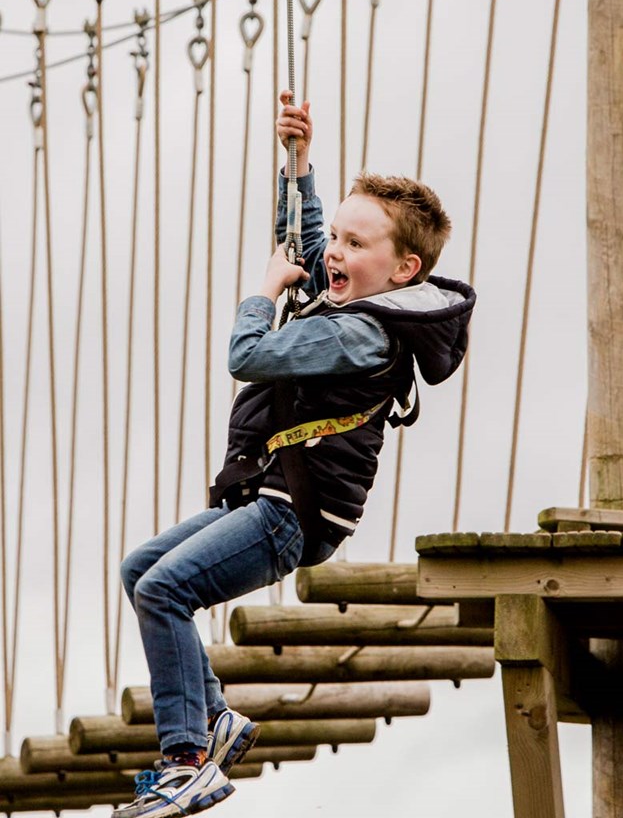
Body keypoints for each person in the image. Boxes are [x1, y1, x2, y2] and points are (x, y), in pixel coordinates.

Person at [114, 91, 475, 818]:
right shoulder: (355, 297)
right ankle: (212, 716)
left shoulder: (358, 334)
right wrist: (300, 164)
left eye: (354, 244)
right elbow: (309, 244)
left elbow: (250, 355)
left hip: (293, 515)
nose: (332, 253)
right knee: (140, 570)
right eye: (338, 236)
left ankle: (187, 760)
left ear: (404, 268)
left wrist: (261, 293)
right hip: (270, 498)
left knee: (164, 591)